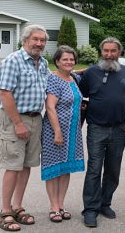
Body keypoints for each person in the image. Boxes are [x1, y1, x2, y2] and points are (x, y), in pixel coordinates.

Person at [0, 24, 50, 231]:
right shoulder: (13, 61)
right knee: (13, 165)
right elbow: (5, 93)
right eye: (35, 39)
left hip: (36, 119)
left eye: (42, 40)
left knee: (26, 165)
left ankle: (17, 207)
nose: (39, 43)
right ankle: (5, 211)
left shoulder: (42, 63)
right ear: (25, 40)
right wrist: (18, 123)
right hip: (15, 119)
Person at [79, 37, 125, 228]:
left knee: (113, 170)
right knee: (94, 169)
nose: (109, 54)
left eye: (113, 51)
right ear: (101, 52)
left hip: (119, 128)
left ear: (119, 52)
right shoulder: (91, 73)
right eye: (106, 51)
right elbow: (81, 96)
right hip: (96, 128)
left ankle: (105, 203)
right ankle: (90, 210)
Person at [41, 45, 85, 223]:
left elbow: (84, 71)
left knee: (65, 169)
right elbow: (50, 106)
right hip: (55, 131)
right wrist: (57, 132)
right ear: (57, 61)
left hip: (73, 131)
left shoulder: (73, 78)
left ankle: (60, 204)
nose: (69, 62)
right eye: (65, 59)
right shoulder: (54, 80)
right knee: (54, 169)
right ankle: (53, 207)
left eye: (71, 59)